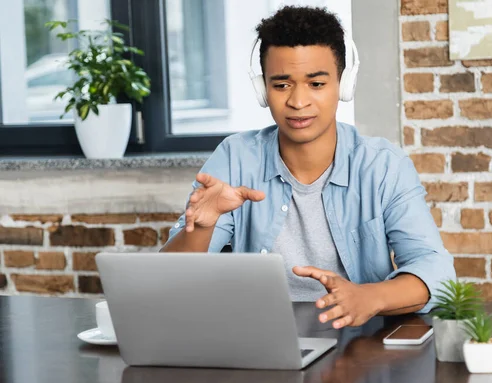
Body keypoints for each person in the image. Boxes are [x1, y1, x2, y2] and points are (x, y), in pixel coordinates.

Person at [161, 6, 456, 329]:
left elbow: (436, 270)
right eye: (282, 85)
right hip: (256, 340)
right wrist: (202, 227)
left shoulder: (383, 166)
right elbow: (169, 284)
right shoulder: (235, 157)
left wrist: (370, 298)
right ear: (263, 90)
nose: (298, 102)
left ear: (344, 85)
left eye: (316, 84)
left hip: (357, 345)